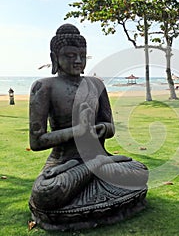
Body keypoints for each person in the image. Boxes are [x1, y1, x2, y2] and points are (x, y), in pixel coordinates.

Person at [28, 24, 148, 230]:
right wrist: (78, 131)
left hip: (98, 155)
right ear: (54, 57)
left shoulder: (96, 85)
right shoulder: (44, 87)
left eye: (82, 55)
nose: (77, 60)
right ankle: (96, 166)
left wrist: (102, 128)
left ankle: (97, 164)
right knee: (45, 192)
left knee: (140, 171)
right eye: (70, 55)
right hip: (63, 165)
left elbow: (110, 127)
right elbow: (37, 141)